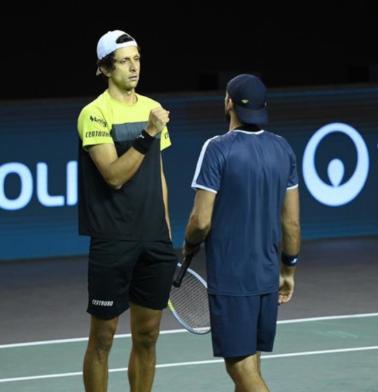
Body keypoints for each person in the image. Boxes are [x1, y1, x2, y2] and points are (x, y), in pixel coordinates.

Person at [183, 74, 301, 392]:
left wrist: (188, 245)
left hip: (233, 279)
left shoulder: (217, 149)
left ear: (228, 103)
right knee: (252, 362)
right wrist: (288, 270)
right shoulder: (283, 149)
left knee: (241, 369)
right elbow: (291, 224)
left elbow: (201, 220)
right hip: (266, 276)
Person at [77, 30, 177, 392]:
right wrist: (149, 132)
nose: (134, 67)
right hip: (113, 240)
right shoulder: (94, 115)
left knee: (148, 337)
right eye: (124, 60)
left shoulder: (151, 106)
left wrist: (166, 232)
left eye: (137, 59)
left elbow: (159, 175)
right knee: (103, 338)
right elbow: (114, 176)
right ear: (105, 68)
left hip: (154, 240)